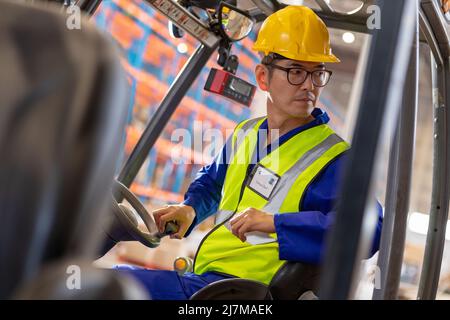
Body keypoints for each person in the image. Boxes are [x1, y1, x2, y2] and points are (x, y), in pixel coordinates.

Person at [115, 5, 383, 300]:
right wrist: (190, 209)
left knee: (112, 286)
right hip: (208, 279)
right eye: (296, 71)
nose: (309, 85)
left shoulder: (334, 158)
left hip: (246, 292)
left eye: (317, 74)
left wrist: (275, 224)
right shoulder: (247, 132)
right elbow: (215, 184)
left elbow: (367, 229)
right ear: (263, 77)